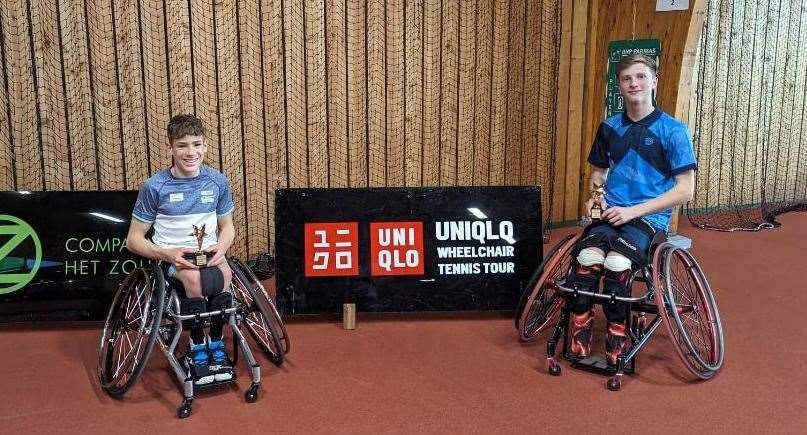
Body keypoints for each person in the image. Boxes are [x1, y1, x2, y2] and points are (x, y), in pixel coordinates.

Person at [566, 54, 697, 365]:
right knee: (586, 258)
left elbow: (684, 190)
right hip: (612, 213)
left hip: (649, 218)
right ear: (620, 87)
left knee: (618, 263)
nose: (634, 83)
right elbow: (598, 174)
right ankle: (580, 329)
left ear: (653, 82)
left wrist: (634, 211)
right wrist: (597, 196)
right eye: (627, 79)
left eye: (640, 77)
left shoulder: (673, 131)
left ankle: (617, 333)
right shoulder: (609, 127)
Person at [127, 114, 236, 385]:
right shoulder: (155, 187)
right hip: (172, 255)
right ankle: (198, 346)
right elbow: (134, 240)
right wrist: (167, 254)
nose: (191, 152)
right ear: (171, 148)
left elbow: (228, 227)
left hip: (210, 252)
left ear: (206, 145)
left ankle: (217, 344)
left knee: (226, 277)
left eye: (197, 144)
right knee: (193, 279)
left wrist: (221, 247)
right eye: (183, 145)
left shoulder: (218, 181)